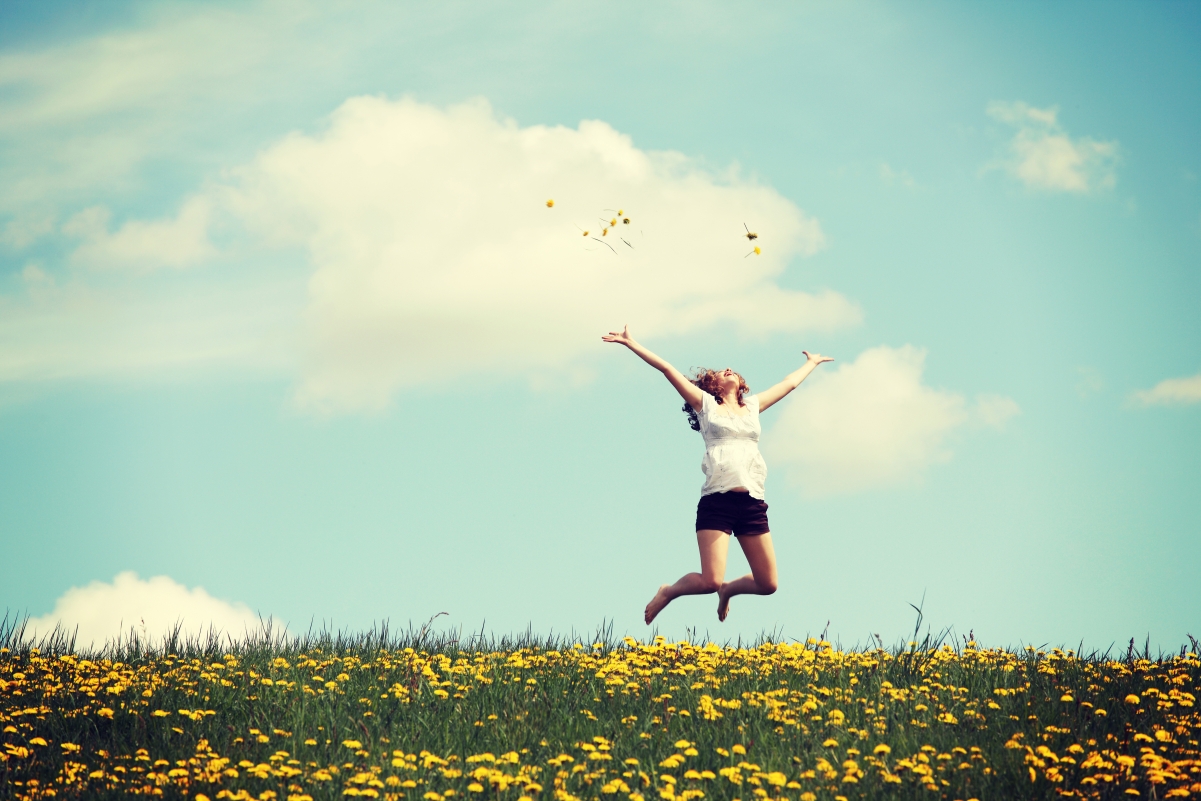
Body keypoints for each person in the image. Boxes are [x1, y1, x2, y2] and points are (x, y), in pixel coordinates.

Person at [601, 325, 833, 624]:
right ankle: (669, 591)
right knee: (709, 581)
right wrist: (632, 344)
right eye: (722, 372)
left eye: (732, 370)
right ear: (713, 386)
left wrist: (810, 364)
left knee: (768, 584)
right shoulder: (706, 405)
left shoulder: (752, 407)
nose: (728, 369)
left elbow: (788, 384)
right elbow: (667, 369)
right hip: (717, 501)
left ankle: (729, 590)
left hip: (751, 502)